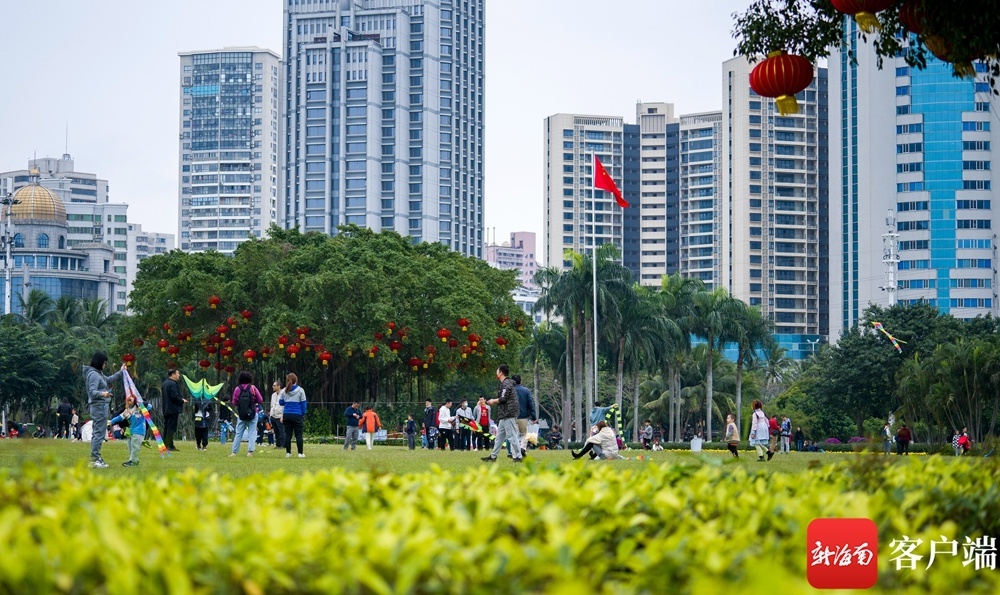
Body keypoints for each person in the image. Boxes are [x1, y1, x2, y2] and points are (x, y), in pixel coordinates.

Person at [83, 351, 126, 468]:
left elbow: (109, 380)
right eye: (104, 363)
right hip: (98, 407)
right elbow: (92, 392)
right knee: (99, 433)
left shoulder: (99, 374)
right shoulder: (93, 375)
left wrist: (121, 372)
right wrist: (103, 393)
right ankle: (95, 459)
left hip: (102, 406)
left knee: (99, 433)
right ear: (99, 362)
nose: (105, 365)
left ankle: (95, 457)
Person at [482, 364, 522, 463]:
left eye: (497, 370)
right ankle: (493, 456)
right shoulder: (505, 383)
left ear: (500, 372)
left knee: (512, 436)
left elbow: (504, 398)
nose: (496, 372)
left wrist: (493, 401)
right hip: (504, 415)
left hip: (509, 414)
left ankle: (518, 456)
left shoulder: (506, 384)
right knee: (499, 437)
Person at [229, 371, 263, 458]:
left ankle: (234, 452)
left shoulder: (237, 389)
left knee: (239, 433)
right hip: (253, 412)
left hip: (242, 414)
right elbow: (260, 399)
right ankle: (250, 452)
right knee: (252, 432)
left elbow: (234, 402)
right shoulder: (253, 388)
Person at [109, 392, 147, 467]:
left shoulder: (140, 408)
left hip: (139, 431)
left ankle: (133, 461)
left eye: (130, 400)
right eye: (127, 400)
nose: (129, 402)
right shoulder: (127, 410)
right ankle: (133, 460)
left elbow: (149, 406)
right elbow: (120, 417)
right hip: (131, 431)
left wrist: (140, 402)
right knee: (130, 445)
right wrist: (111, 422)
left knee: (135, 446)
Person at [280, 373, 307, 458]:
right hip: (297, 414)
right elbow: (303, 404)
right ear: (296, 380)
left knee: (288, 434)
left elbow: (281, 402)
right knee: (298, 434)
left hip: (287, 414)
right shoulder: (300, 390)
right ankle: (300, 453)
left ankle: (288, 453)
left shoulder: (284, 390)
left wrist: (288, 401)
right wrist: (303, 413)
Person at [161, 368, 186, 451]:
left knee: (167, 427)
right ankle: (169, 445)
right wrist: (182, 400)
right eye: (178, 373)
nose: (179, 375)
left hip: (166, 409)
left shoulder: (165, 383)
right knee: (171, 428)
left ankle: (165, 444)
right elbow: (174, 396)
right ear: (173, 374)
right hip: (173, 409)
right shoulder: (173, 384)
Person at [512, 374, 535, 452]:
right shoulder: (526, 391)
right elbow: (531, 404)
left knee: (513, 435)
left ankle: (514, 452)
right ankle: (522, 448)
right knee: (524, 434)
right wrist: (533, 417)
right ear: (520, 381)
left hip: (512, 417)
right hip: (523, 416)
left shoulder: (510, 391)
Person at [269, 381, 285, 450]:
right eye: (273, 385)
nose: (273, 387)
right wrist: (271, 413)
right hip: (273, 415)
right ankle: (278, 444)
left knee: (281, 431)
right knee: (276, 431)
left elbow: (284, 406)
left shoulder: (283, 394)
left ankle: (283, 445)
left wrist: (283, 416)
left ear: (279, 386)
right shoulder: (273, 395)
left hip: (280, 416)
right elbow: (272, 405)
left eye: (274, 385)